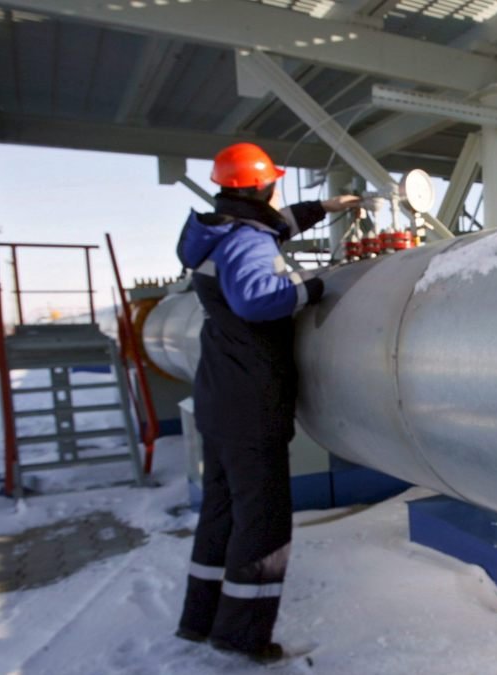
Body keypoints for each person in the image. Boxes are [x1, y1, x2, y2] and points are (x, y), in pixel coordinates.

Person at [174, 142, 359, 662]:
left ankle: (201, 618)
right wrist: (314, 287)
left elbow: (267, 230)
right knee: (263, 523)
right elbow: (258, 299)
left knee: (223, 512)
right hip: (250, 402)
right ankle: (241, 634)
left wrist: (325, 209)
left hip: (219, 393)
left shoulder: (218, 231)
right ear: (263, 186)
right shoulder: (247, 242)